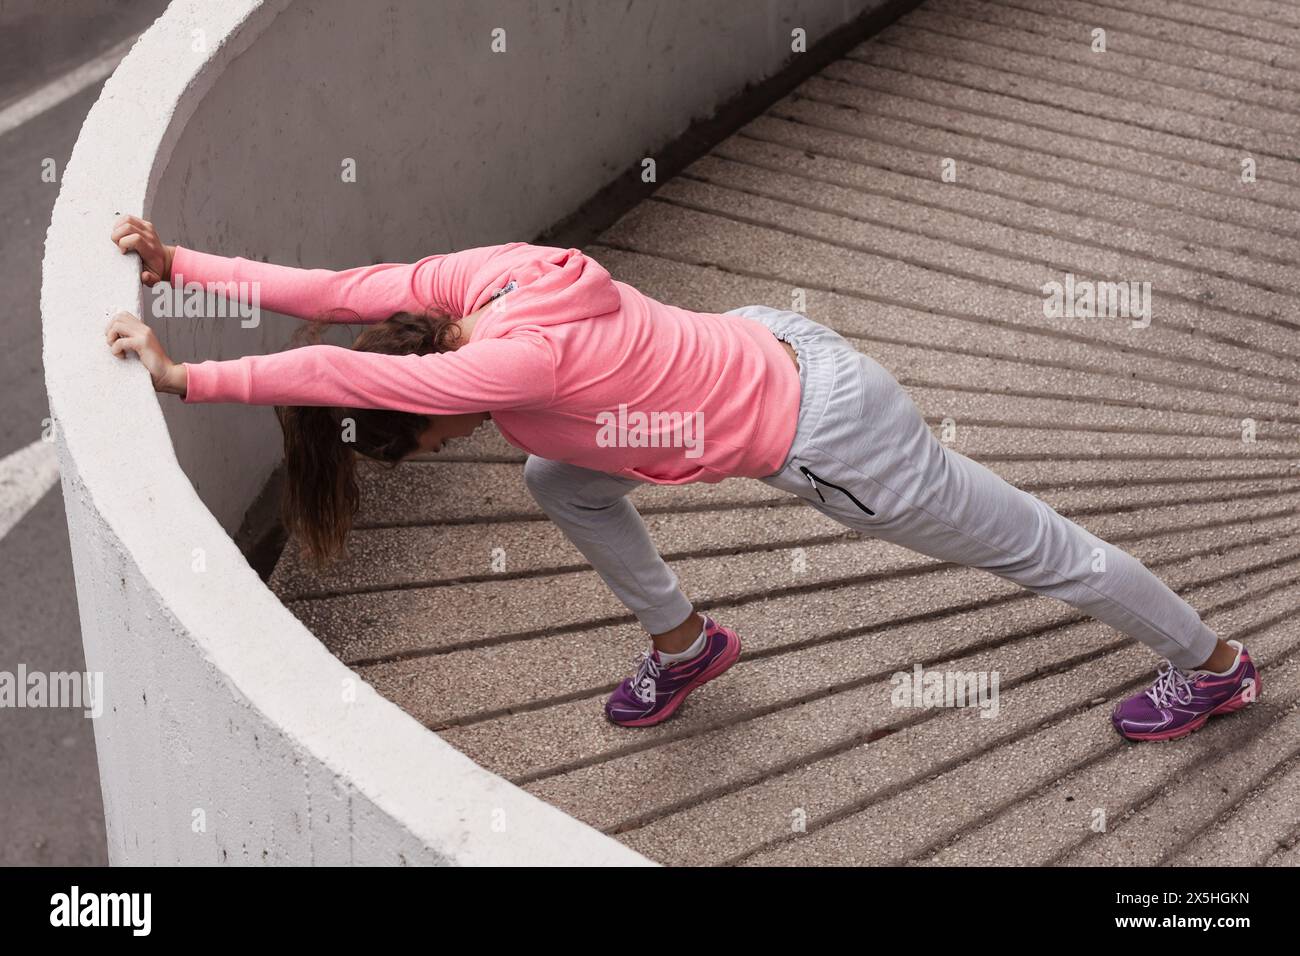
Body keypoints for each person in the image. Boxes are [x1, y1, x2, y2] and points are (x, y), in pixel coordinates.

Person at [106, 214, 1259, 739]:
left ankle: (1210, 665)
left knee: (1041, 550)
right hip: (781, 343)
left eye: (414, 439)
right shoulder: (487, 280)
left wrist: (184, 381)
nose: (439, 442)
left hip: (835, 437)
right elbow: (341, 286)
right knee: (558, 476)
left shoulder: (499, 367)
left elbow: (318, 358)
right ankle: (682, 642)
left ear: (416, 419)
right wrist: (183, 265)